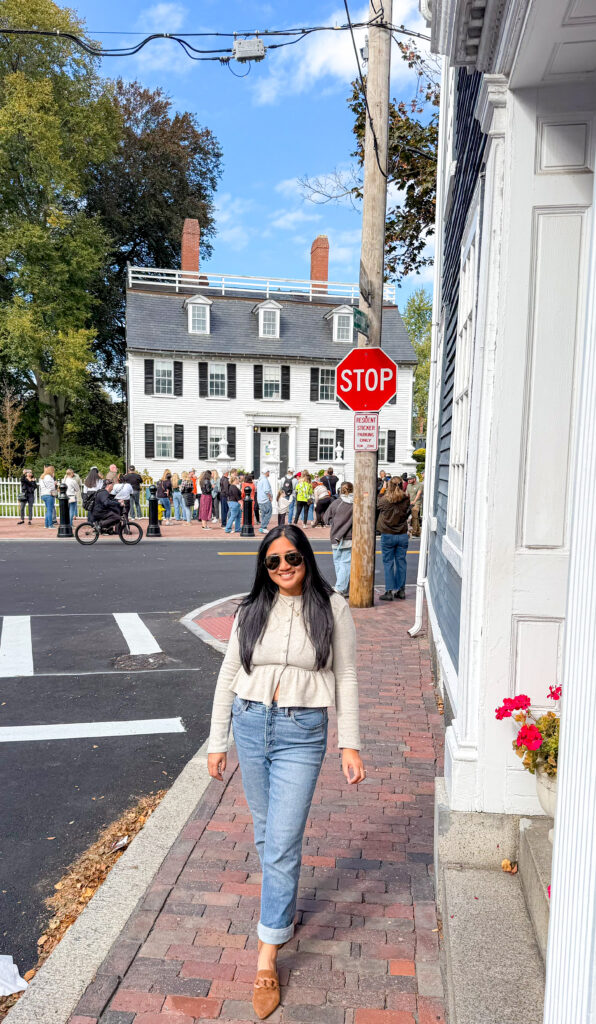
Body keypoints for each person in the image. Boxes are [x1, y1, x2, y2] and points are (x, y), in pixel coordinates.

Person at [207, 525, 364, 1019]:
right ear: (264, 567)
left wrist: (350, 743)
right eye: (272, 562)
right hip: (251, 726)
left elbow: (348, 674)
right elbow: (229, 673)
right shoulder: (251, 609)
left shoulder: (331, 606)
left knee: (280, 842)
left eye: (291, 558)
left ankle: (267, 953)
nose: (283, 568)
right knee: (267, 836)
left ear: (306, 557)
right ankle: (282, 904)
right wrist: (218, 742)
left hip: (303, 731)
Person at [377, 477, 410, 601]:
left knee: (388, 563)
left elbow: (377, 503)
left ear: (389, 486)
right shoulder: (406, 499)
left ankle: (389, 591)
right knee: (401, 563)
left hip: (388, 534)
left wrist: (383, 488)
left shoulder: (384, 500)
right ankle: (401, 590)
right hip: (402, 534)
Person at [324, 481, 354, 596]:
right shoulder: (356, 504)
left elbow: (326, 518)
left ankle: (341, 587)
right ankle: (342, 587)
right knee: (345, 563)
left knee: (338, 562)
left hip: (335, 536)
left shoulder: (336, 503)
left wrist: (333, 521)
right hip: (349, 536)